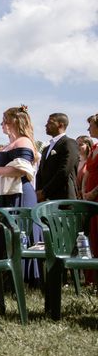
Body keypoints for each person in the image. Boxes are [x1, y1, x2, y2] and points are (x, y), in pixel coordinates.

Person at [0, 105, 40, 283]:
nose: (2, 123)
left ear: (14, 121)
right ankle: (6, 278)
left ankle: (22, 278)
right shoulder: (10, 144)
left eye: (4, 119)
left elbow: (21, 168)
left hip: (19, 194)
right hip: (6, 196)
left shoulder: (23, 141)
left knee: (19, 233)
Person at [35, 113, 79, 202]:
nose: (46, 125)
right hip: (45, 200)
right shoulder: (46, 148)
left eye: (50, 122)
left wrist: (45, 192)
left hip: (63, 198)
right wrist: (39, 191)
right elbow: (40, 172)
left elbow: (64, 171)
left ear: (60, 125)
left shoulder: (69, 143)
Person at [81, 115, 98, 284]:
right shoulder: (94, 148)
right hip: (89, 196)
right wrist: (84, 190)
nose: (88, 129)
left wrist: (94, 191)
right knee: (93, 235)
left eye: (91, 125)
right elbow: (86, 171)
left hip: (96, 193)